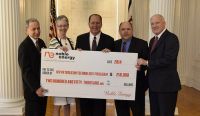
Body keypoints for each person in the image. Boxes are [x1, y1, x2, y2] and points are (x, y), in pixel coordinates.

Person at [137, 14, 181, 116]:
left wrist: (146, 62)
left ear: (164, 23)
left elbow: (168, 59)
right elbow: (150, 60)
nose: (154, 26)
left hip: (167, 86)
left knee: (165, 113)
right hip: (153, 86)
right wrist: (141, 65)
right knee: (155, 113)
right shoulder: (153, 40)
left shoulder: (172, 38)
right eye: (152, 24)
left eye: (157, 23)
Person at [75, 14, 114, 116]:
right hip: (84, 86)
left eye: (97, 23)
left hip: (101, 87)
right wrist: (77, 54)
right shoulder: (80, 38)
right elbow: (76, 62)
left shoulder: (109, 40)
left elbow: (113, 64)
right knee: (85, 112)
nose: (95, 25)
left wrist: (110, 55)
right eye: (92, 23)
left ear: (101, 24)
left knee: (99, 112)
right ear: (88, 24)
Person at [114, 22, 149, 116]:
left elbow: (147, 62)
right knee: (121, 113)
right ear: (119, 31)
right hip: (118, 88)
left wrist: (141, 66)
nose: (126, 32)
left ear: (132, 30)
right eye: (123, 29)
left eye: (128, 29)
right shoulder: (114, 44)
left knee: (138, 113)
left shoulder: (142, 43)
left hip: (137, 88)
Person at [18, 18, 47, 116]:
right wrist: (36, 88)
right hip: (32, 92)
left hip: (43, 89)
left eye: (38, 28)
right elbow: (26, 71)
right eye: (33, 29)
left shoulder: (42, 42)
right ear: (27, 31)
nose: (37, 31)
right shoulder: (23, 47)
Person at [49, 15, 74, 116]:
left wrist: (79, 52)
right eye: (60, 26)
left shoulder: (71, 41)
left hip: (70, 78)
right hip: (58, 79)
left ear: (68, 26)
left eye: (64, 25)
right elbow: (49, 60)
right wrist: (57, 50)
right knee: (57, 105)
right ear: (56, 26)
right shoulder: (53, 41)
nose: (62, 28)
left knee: (67, 104)